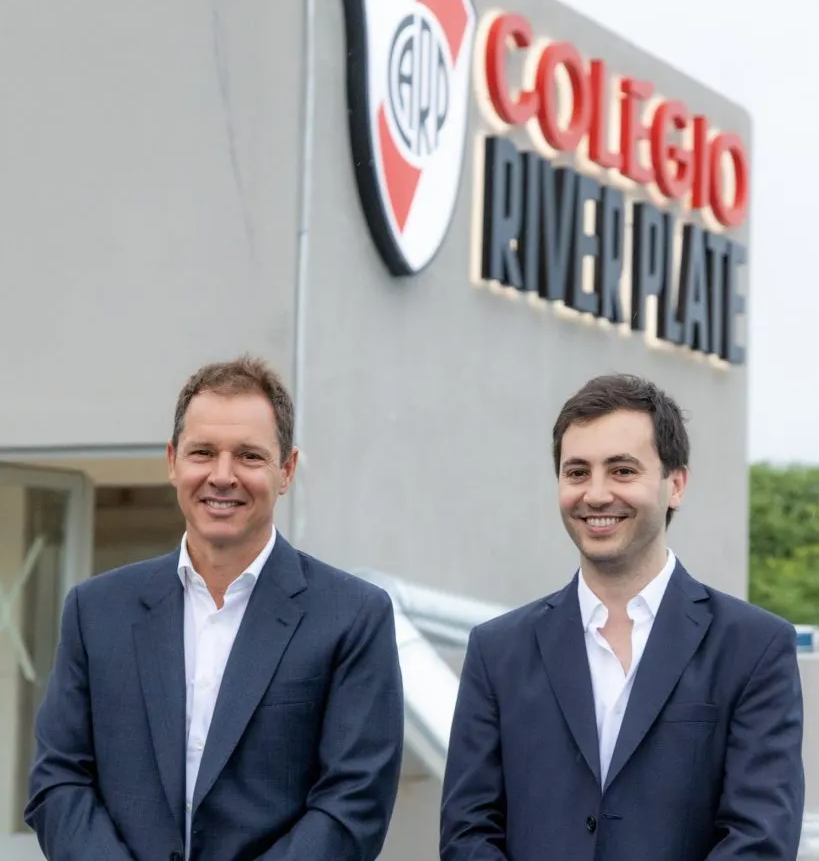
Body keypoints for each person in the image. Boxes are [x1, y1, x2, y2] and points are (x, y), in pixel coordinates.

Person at [26, 355, 404, 861]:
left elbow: (353, 804)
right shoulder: (95, 612)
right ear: (172, 461)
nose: (222, 476)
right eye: (203, 452)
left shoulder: (353, 617)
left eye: (249, 456)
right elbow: (59, 780)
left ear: (287, 470)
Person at [440, 374, 804, 860]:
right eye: (577, 472)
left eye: (622, 470)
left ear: (676, 485)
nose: (595, 494)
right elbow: (467, 833)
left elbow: (760, 840)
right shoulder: (497, 651)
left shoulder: (754, 647)